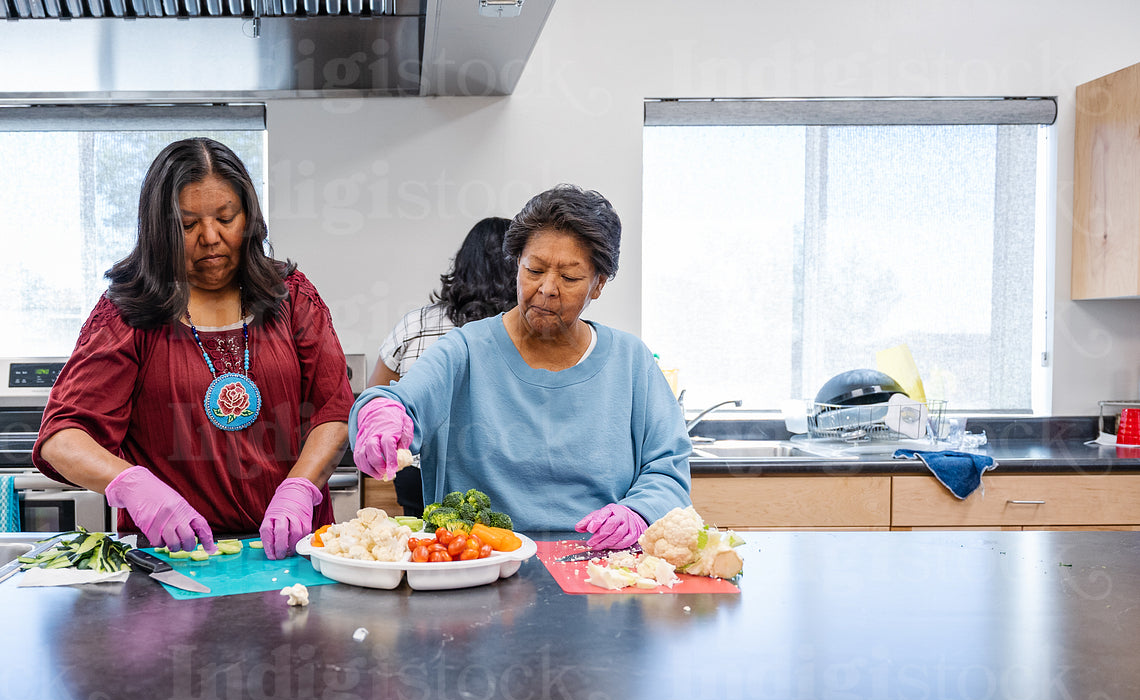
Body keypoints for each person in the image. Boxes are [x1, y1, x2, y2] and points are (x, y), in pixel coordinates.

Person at [34, 138, 353, 559]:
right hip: (174, 560)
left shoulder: (290, 298)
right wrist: (134, 486)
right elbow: (62, 438)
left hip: (292, 553)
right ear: (158, 229)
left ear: (249, 217)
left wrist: (300, 486)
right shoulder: (127, 315)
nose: (211, 237)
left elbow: (334, 411)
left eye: (226, 218)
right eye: (187, 225)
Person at [349, 184, 690, 548]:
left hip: (600, 568)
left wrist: (640, 511)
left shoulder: (631, 361)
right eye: (534, 270)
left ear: (598, 284)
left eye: (570, 278)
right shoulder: (465, 350)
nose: (546, 288)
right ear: (516, 266)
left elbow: (668, 467)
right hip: (479, 566)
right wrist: (379, 415)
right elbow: (398, 403)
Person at [365, 216, 516, 515]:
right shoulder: (523, 334)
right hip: (494, 475)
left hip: (416, 472)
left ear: (462, 264)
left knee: (424, 551)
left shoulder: (415, 324)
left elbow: (376, 395)